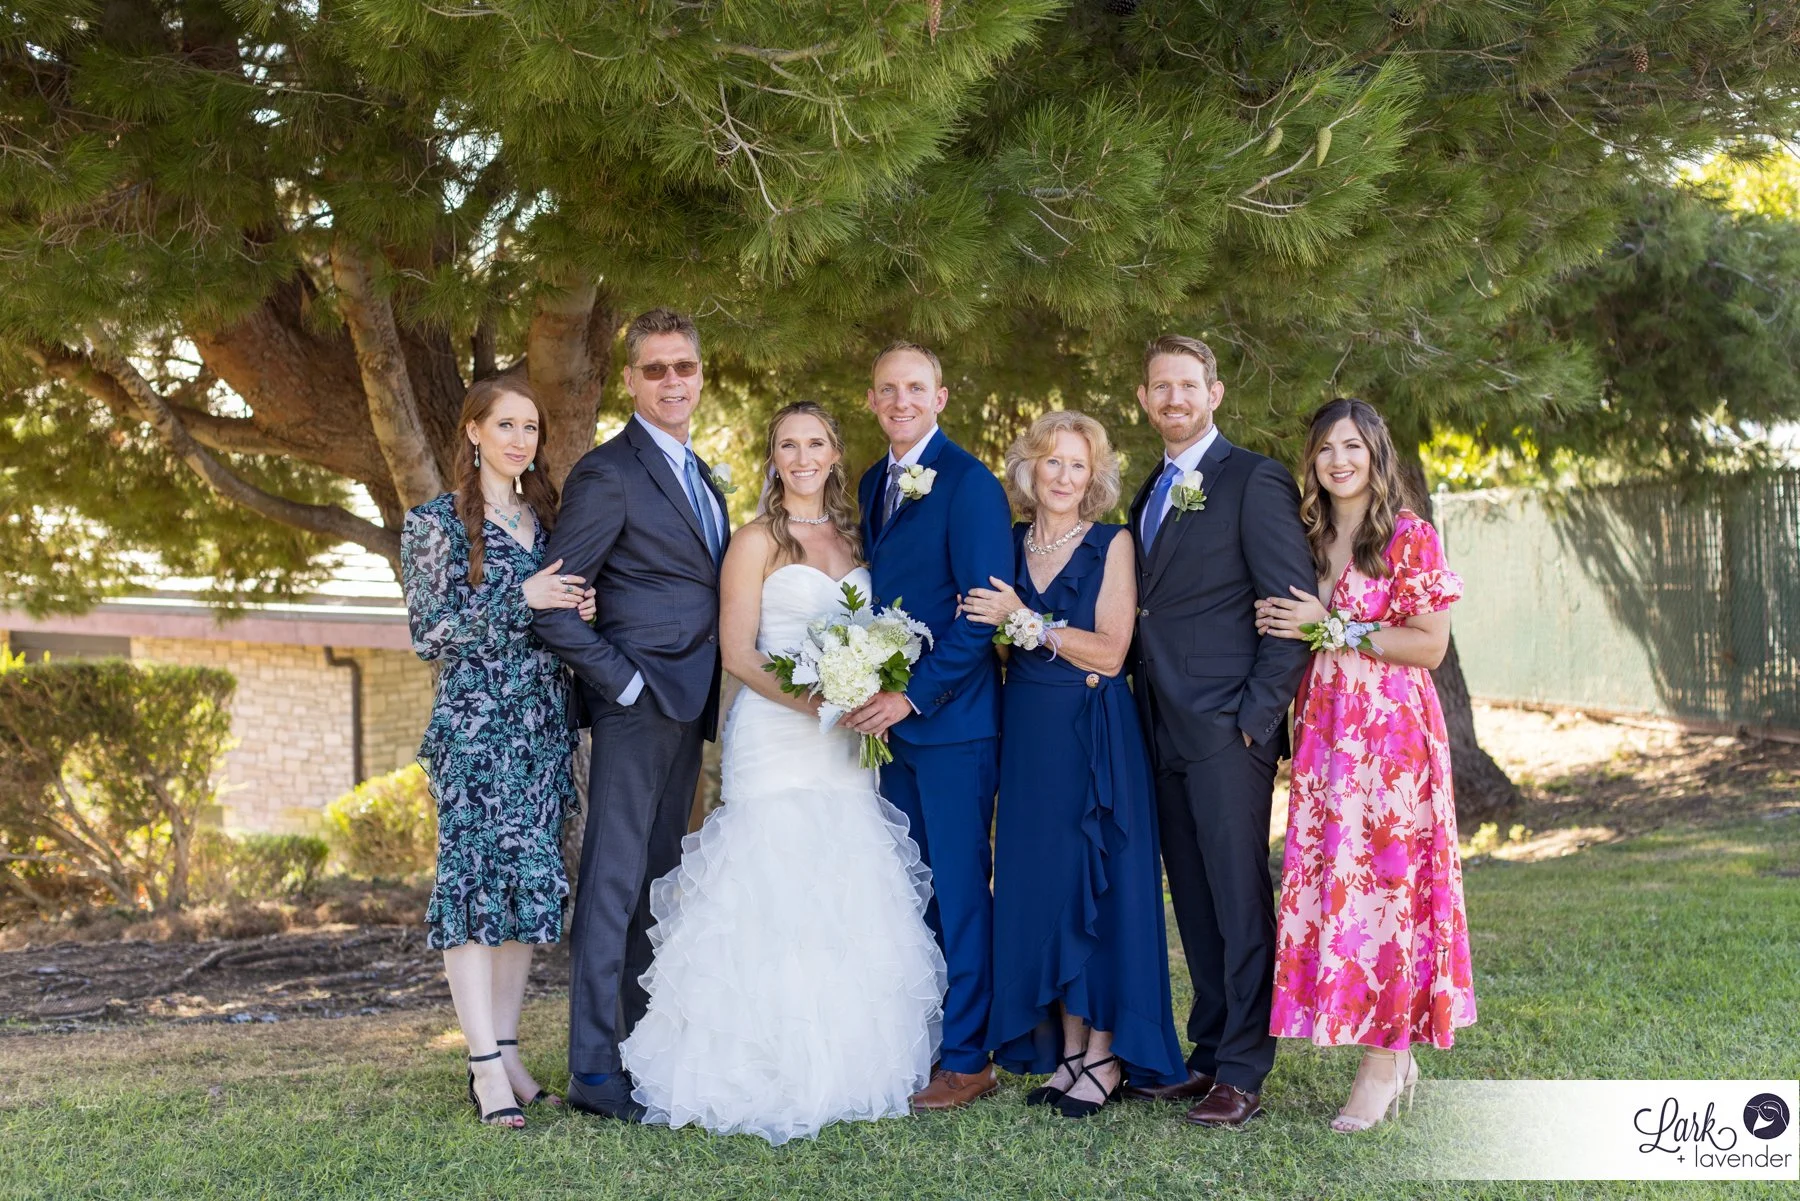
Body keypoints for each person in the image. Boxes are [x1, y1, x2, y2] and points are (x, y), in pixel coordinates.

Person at [621, 402, 946, 1145]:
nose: (802, 456)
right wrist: (823, 699)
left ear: (836, 453)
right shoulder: (755, 541)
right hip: (777, 732)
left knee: (842, 884)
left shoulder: (858, 536)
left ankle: (846, 1061)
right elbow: (738, 653)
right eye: (787, 445)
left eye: (816, 443)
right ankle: (756, 1063)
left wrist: (863, 689)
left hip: (845, 742)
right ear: (773, 457)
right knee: (766, 884)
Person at [1255, 397, 1476, 1133]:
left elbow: (1429, 644)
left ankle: (1386, 1060)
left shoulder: (1408, 537)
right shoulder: (1307, 537)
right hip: (1326, 735)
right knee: (1341, 884)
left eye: (1353, 446)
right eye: (1325, 449)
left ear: (1377, 454)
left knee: (1392, 888)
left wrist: (1336, 626)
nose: (1339, 460)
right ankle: (1386, 1048)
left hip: (1391, 739)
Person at [532, 308, 731, 1121]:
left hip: (689, 705)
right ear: (630, 380)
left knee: (652, 882)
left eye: (683, 366)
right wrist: (624, 687)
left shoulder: (703, 472)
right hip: (637, 705)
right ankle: (592, 1069)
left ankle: (635, 1046)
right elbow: (553, 605)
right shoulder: (607, 473)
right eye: (655, 369)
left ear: (699, 373)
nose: (672, 381)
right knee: (612, 884)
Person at [962, 411, 1185, 1119]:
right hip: (1026, 730)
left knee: (1100, 880)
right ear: (1031, 469)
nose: (1063, 476)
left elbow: (1112, 649)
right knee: (1041, 883)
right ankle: (1065, 1046)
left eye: (1077, 465)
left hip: (1092, 729)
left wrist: (1025, 620)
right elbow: (996, 647)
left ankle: (1107, 1052)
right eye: (1051, 462)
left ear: (1095, 477)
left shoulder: (1111, 542)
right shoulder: (1011, 543)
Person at [1124, 334, 1315, 1128]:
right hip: (1156, 725)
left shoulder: (1254, 479)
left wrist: (1254, 723)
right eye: (1160, 387)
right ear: (1144, 399)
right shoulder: (1149, 490)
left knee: (1238, 898)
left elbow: (1290, 609)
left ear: (1215, 393)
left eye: (1187, 385)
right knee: (1194, 899)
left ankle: (1244, 1066)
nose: (1173, 399)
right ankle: (1207, 1054)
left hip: (1227, 730)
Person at [401, 375, 595, 1129]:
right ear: (474, 431)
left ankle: (509, 1049)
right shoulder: (435, 523)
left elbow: (565, 608)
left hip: (543, 728)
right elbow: (431, 633)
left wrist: (580, 604)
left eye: (532, 428)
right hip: (478, 730)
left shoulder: (548, 522)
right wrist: (523, 599)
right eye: (506, 425)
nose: (521, 440)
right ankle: (481, 1065)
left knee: (524, 890)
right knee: (475, 888)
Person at [845, 342, 1014, 1110]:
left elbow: (980, 619)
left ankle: (970, 1053)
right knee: (915, 891)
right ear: (873, 400)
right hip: (892, 731)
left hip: (951, 724)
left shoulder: (973, 485)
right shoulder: (872, 481)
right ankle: (927, 1035)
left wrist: (912, 697)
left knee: (960, 888)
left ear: (941, 396)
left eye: (916, 387)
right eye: (888, 389)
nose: (901, 399)